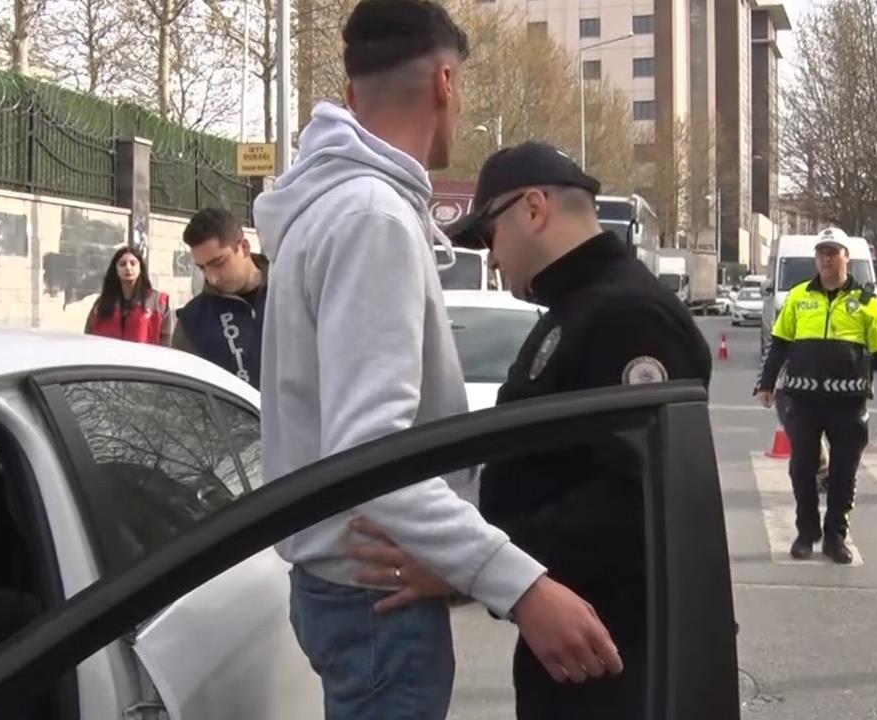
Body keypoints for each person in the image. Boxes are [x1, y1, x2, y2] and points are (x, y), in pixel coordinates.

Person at [250, 3, 622, 719]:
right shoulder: (372, 218)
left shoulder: (335, 210)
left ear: (352, 94)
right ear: (446, 83)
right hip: (374, 598)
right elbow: (372, 453)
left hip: (353, 586)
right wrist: (523, 588)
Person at [354, 142, 714, 718]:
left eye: (490, 235)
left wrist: (478, 568)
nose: (493, 259)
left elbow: (635, 498)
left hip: (617, 653)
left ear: (533, 208)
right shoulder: (581, 308)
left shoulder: (627, 314)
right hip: (582, 643)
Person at [754, 229, 877, 564]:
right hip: (803, 401)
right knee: (802, 469)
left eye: (832, 252)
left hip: (848, 403)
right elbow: (778, 344)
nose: (826, 258)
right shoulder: (798, 296)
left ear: (845, 257)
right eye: (821, 252)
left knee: (843, 473)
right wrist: (765, 384)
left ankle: (835, 536)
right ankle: (806, 532)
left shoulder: (867, 301)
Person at [173, 207, 269, 389]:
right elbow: (184, 392)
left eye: (218, 263)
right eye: (202, 268)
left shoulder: (291, 290)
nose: (212, 278)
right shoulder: (192, 320)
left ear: (244, 247)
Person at [84, 246, 172, 345]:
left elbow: (167, 340)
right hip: (108, 354)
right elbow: (89, 333)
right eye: (122, 264)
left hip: (144, 355)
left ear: (140, 268)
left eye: (133, 263)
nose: (128, 268)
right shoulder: (103, 303)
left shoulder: (158, 302)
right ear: (116, 270)